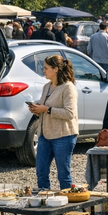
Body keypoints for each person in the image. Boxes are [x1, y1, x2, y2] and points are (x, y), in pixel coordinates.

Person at [28, 55, 78, 190]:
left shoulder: (68, 87)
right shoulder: (46, 86)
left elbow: (69, 113)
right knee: (41, 173)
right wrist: (37, 109)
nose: (43, 71)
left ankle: (67, 206)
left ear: (55, 69)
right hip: (45, 135)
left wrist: (47, 109)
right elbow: (46, 107)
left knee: (63, 175)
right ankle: (45, 203)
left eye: (46, 68)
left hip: (64, 136)